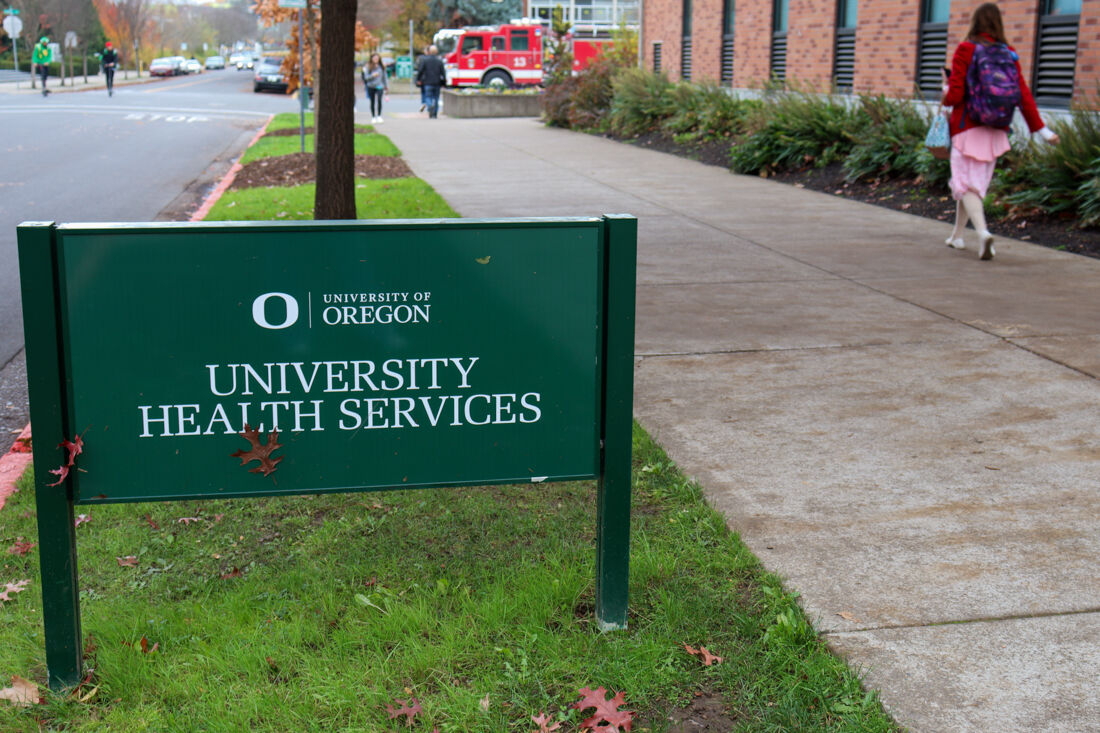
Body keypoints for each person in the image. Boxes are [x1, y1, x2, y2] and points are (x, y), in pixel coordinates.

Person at [940, 2, 1059, 261]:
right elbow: (1023, 95)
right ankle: (957, 236)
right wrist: (1043, 131)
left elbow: (956, 94)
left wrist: (945, 90)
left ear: (975, 23)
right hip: (996, 130)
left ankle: (983, 233)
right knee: (972, 185)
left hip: (967, 126)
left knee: (963, 184)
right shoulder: (1009, 53)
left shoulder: (966, 49)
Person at [416, 45, 446, 119]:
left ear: (429, 51)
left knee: (428, 96)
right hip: (437, 82)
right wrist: (444, 82)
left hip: (427, 82)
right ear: (436, 52)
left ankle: (430, 106)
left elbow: (420, 71)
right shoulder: (439, 61)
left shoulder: (425, 60)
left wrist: (418, 79)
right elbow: (443, 73)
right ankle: (434, 114)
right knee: (436, 98)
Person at [361, 52, 388, 124]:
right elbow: (366, 78)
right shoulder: (368, 67)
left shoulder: (382, 67)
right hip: (371, 86)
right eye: (374, 58)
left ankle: (379, 116)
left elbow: (385, 77)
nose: (376, 59)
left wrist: (386, 86)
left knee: (379, 100)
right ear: (372, 59)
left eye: (377, 58)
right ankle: (373, 116)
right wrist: (373, 75)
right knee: (372, 101)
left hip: (380, 86)